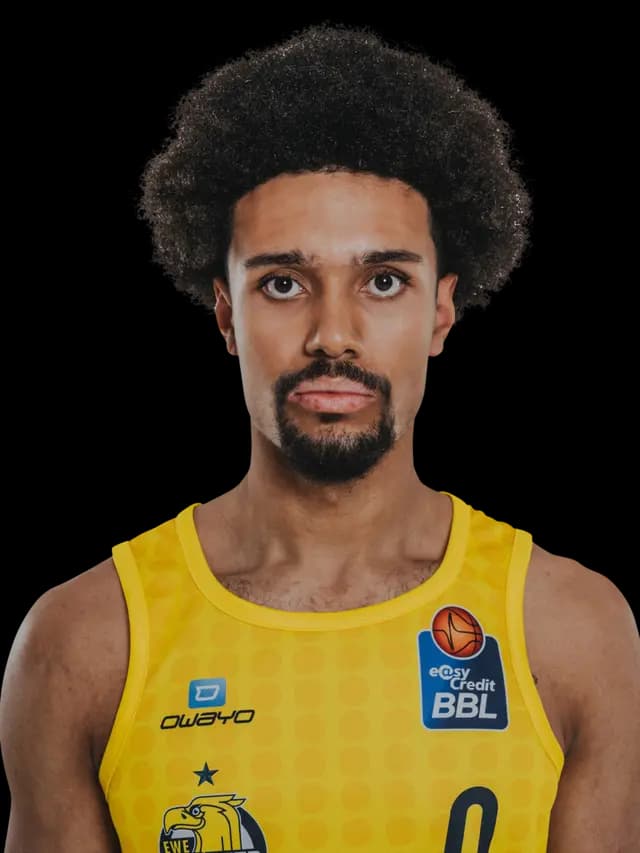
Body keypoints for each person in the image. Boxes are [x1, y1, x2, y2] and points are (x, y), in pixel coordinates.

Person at [2, 21, 638, 853]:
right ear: (226, 314)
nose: (332, 333)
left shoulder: (571, 627)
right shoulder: (87, 639)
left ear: (440, 310)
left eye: (383, 280)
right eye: (282, 283)